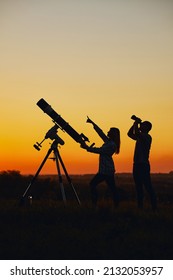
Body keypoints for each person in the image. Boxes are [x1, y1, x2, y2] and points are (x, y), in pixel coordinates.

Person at [81, 117, 120, 208]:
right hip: (106, 170)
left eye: (109, 131)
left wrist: (86, 147)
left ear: (113, 134)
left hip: (105, 171)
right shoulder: (109, 142)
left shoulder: (111, 145)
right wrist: (92, 123)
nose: (107, 132)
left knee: (92, 184)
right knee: (112, 189)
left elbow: (99, 150)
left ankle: (95, 203)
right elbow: (100, 133)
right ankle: (116, 205)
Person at [127, 116, 157, 211]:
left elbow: (136, 133)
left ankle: (154, 207)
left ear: (146, 128)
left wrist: (137, 122)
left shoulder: (147, 137)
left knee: (148, 187)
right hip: (137, 164)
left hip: (143, 165)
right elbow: (129, 134)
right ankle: (140, 208)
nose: (141, 125)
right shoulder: (140, 137)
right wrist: (135, 123)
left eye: (143, 125)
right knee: (139, 187)